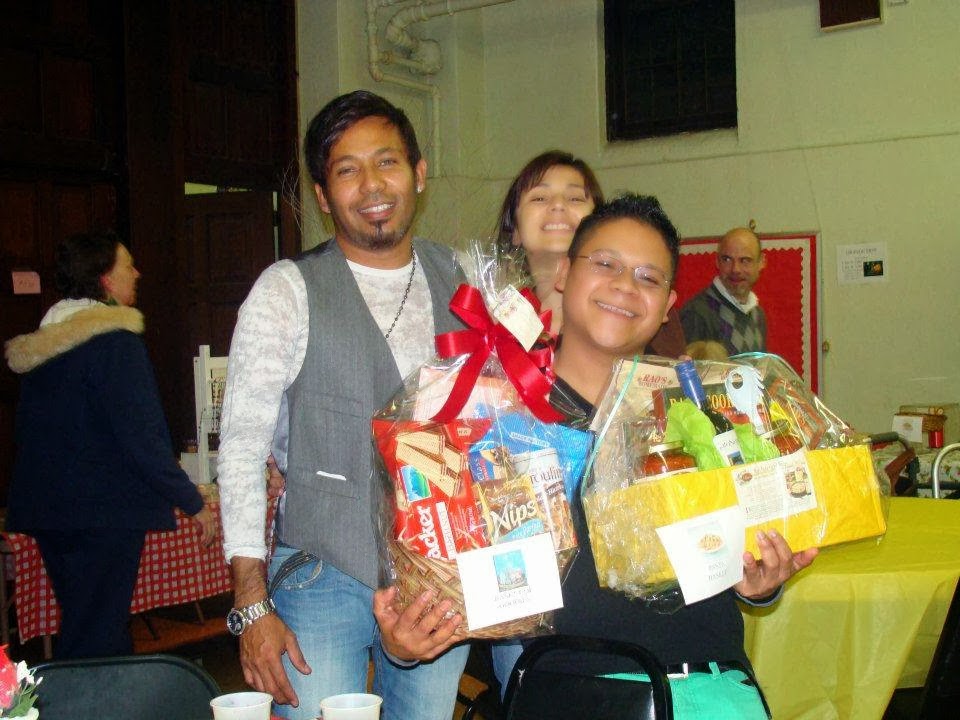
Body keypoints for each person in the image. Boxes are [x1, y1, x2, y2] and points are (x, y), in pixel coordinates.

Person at [375, 194, 817, 717]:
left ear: (669, 301)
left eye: (649, 278)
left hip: (714, 689)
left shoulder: (695, 409)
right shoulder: (493, 417)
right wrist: (407, 641)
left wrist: (758, 582)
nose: (626, 287)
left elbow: (735, 557)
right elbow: (447, 574)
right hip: (573, 693)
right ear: (563, 273)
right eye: (605, 264)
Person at [216, 90, 469, 720]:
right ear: (324, 196)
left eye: (386, 162)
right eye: (346, 170)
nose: (371, 185)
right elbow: (243, 448)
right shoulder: (285, 291)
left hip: (437, 576)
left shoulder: (460, 278)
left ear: (419, 172)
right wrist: (252, 604)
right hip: (320, 571)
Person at [4, 231, 216, 659]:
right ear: (104, 280)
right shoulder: (114, 343)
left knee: (84, 624)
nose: (136, 273)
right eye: (127, 266)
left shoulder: (47, 343)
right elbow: (142, 436)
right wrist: (191, 501)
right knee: (100, 635)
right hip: (103, 512)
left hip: (53, 514)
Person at [495, 150, 685, 355]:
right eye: (539, 198)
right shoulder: (493, 318)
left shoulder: (638, 310)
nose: (558, 205)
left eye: (575, 198)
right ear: (514, 230)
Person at [680, 226, 768, 355]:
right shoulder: (697, 313)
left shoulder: (757, 315)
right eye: (727, 259)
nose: (735, 269)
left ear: (761, 262)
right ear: (717, 261)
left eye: (745, 260)